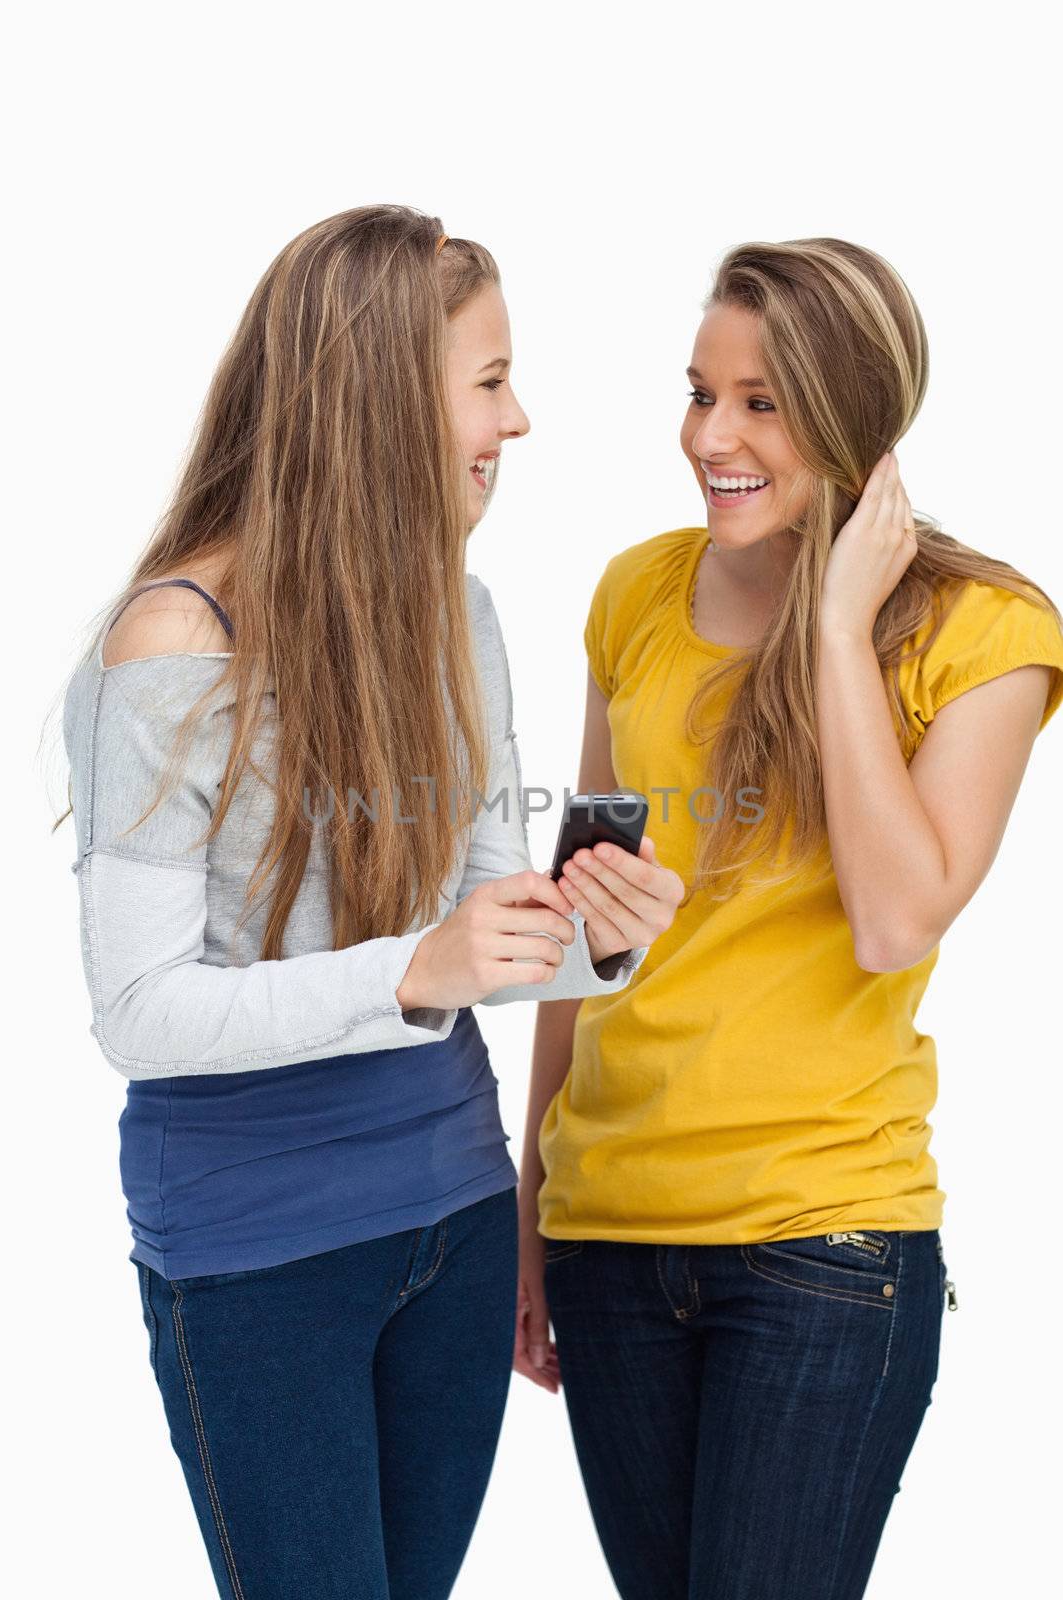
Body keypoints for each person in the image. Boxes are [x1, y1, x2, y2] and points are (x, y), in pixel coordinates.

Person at [55, 204, 683, 1600]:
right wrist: (418, 968)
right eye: (489, 379)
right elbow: (140, 1013)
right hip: (259, 1253)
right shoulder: (175, 642)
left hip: (453, 1220)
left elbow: (478, 933)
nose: (517, 419)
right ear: (382, 397)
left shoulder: (457, 612)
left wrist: (602, 938)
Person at [514, 237, 1063, 1600]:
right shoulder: (635, 593)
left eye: (761, 403)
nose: (711, 437)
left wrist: (832, 628)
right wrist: (532, 1204)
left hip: (822, 1248)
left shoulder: (985, 632)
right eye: (701, 393)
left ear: (853, 412)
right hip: (613, 1239)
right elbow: (590, 922)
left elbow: (893, 920)